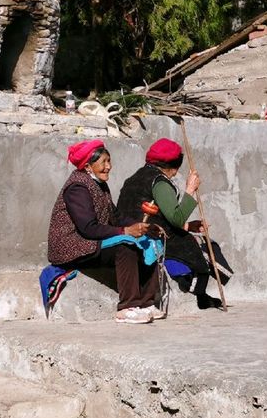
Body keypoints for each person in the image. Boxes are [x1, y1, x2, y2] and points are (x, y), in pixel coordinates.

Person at [47, 139, 160, 324]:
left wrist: (141, 226)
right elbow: (88, 228)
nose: (109, 167)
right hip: (73, 245)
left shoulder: (100, 184)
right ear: (88, 166)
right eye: (104, 162)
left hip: (91, 240)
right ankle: (127, 308)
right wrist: (125, 231)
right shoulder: (77, 188)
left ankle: (147, 302)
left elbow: (115, 216)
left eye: (109, 161)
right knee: (126, 246)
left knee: (148, 242)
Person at [117, 138, 232, 310]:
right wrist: (190, 191)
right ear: (173, 166)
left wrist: (188, 226)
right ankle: (195, 290)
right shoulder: (160, 182)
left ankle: (202, 295)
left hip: (137, 227)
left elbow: (161, 215)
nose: (176, 173)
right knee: (202, 246)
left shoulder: (135, 177)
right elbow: (176, 219)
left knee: (192, 236)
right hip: (150, 233)